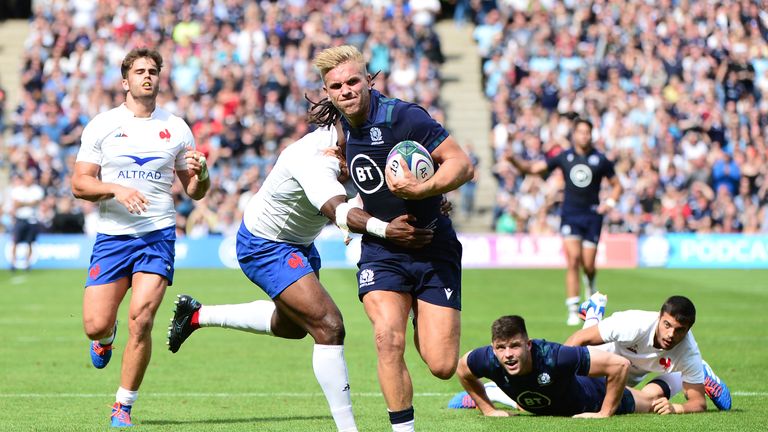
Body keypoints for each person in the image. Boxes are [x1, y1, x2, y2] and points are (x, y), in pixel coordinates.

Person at [167, 122, 433, 432]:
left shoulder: (357, 148)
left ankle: (197, 315)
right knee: (329, 326)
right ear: (338, 123)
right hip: (265, 244)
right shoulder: (315, 157)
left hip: (300, 242)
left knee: (292, 327)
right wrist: (384, 228)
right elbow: (339, 212)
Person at [312, 45, 474, 431]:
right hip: (382, 251)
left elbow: (462, 164)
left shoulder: (405, 117)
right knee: (387, 338)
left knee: (440, 364)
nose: (346, 90)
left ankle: (423, 311)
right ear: (328, 91)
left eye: (353, 81)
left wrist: (424, 190)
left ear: (368, 81)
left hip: (433, 246)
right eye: (337, 85)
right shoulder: (336, 128)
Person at [71, 47, 210, 428]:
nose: (146, 76)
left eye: (152, 71)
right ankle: (105, 336)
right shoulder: (102, 124)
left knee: (142, 319)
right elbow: (80, 183)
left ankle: (123, 405)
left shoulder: (177, 127)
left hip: (158, 235)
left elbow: (194, 190)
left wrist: (204, 175)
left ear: (159, 79)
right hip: (113, 237)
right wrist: (116, 189)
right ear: (125, 80)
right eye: (139, 71)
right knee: (95, 324)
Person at [506, 118, 622, 325]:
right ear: (574, 135)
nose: (584, 136)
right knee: (573, 260)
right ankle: (572, 308)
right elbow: (534, 168)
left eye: (587, 132)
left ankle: (591, 282)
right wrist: (514, 160)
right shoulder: (565, 157)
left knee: (588, 264)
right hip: (570, 215)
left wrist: (610, 202)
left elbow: (617, 185)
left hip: (593, 216)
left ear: (591, 135)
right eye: (580, 132)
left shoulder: (600, 159)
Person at [453, 315, 661, 417]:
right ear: (493, 347)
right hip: (538, 399)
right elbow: (462, 370)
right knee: (528, 396)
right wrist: (487, 409)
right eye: (501, 348)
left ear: (528, 344)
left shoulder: (554, 356)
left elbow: (620, 365)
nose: (508, 355)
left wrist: (604, 413)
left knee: (653, 403)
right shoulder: (487, 359)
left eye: (515, 346)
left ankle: (675, 375)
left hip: (592, 396)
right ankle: (496, 393)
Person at [564, 294, 733, 413]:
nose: (671, 334)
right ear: (659, 317)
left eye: (680, 330)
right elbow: (578, 338)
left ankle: (697, 372)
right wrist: (556, 372)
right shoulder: (633, 323)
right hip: (601, 360)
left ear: (689, 330)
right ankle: (594, 312)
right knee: (582, 363)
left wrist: (676, 408)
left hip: (629, 376)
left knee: (648, 400)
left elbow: (698, 403)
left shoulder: (689, 352)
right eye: (667, 325)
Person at [9, 171, 45, 270]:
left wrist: (23, 203)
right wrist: (29, 203)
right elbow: (16, 204)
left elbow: (36, 202)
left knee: (30, 242)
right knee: (15, 241)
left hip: (32, 219)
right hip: (20, 219)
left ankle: (27, 263)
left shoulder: (37, 189)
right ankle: (13, 263)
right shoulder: (17, 190)